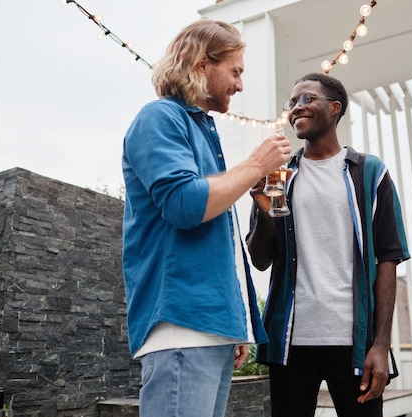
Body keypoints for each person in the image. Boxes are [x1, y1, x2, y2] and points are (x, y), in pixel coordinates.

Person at [121, 19, 291, 417]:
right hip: (181, 327)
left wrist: (236, 324)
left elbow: (219, 242)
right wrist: (254, 165)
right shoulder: (160, 117)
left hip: (210, 330)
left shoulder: (202, 132)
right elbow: (184, 205)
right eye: (235, 71)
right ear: (202, 64)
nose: (240, 85)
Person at [246, 72, 410, 417]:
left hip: (353, 342)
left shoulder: (369, 173)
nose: (296, 108)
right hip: (290, 342)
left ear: (335, 108)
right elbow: (261, 259)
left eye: (307, 99)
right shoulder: (280, 176)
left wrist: (381, 344)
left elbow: (388, 260)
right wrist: (262, 209)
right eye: (292, 103)